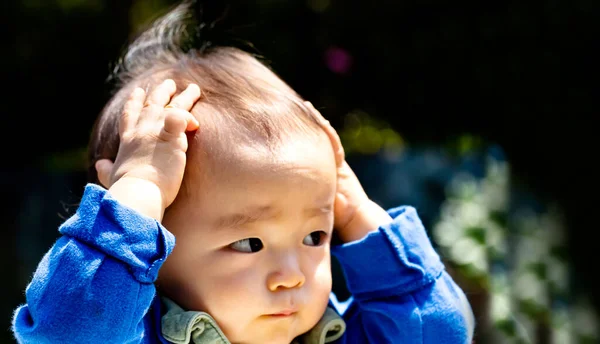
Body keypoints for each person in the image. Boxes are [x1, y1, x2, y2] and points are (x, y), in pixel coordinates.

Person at [11, 1, 475, 343]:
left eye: (315, 236)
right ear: (152, 246)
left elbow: (442, 333)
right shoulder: (126, 336)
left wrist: (356, 211)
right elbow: (66, 331)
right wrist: (140, 189)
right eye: (249, 243)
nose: (291, 276)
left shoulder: (345, 335)